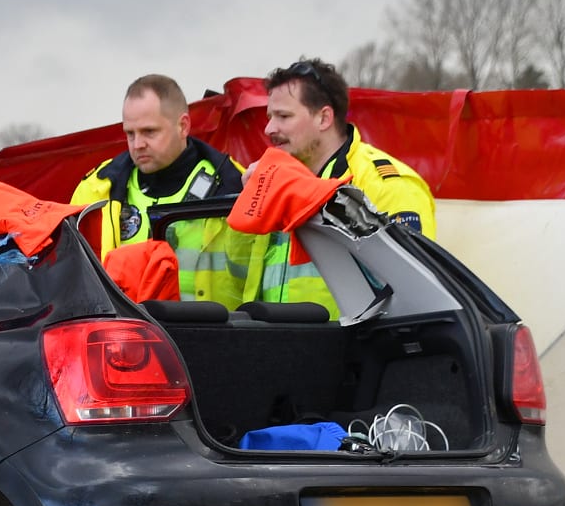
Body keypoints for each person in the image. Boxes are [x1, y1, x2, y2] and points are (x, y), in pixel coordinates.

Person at [255, 58, 437, 314]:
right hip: (277, 344)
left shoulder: (386, 185)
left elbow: (412, 293)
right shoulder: (275, 185)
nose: (269, 128)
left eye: (283, 116)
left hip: (350, 348)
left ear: (324, 118)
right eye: (270, 116)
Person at [70, 74, 264, 307]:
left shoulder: (235, 186)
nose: (137, 144)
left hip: (213, 336)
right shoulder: (96, 191)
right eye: (130, 133)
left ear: (183, 126)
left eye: (149, 131)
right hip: (128, 338)